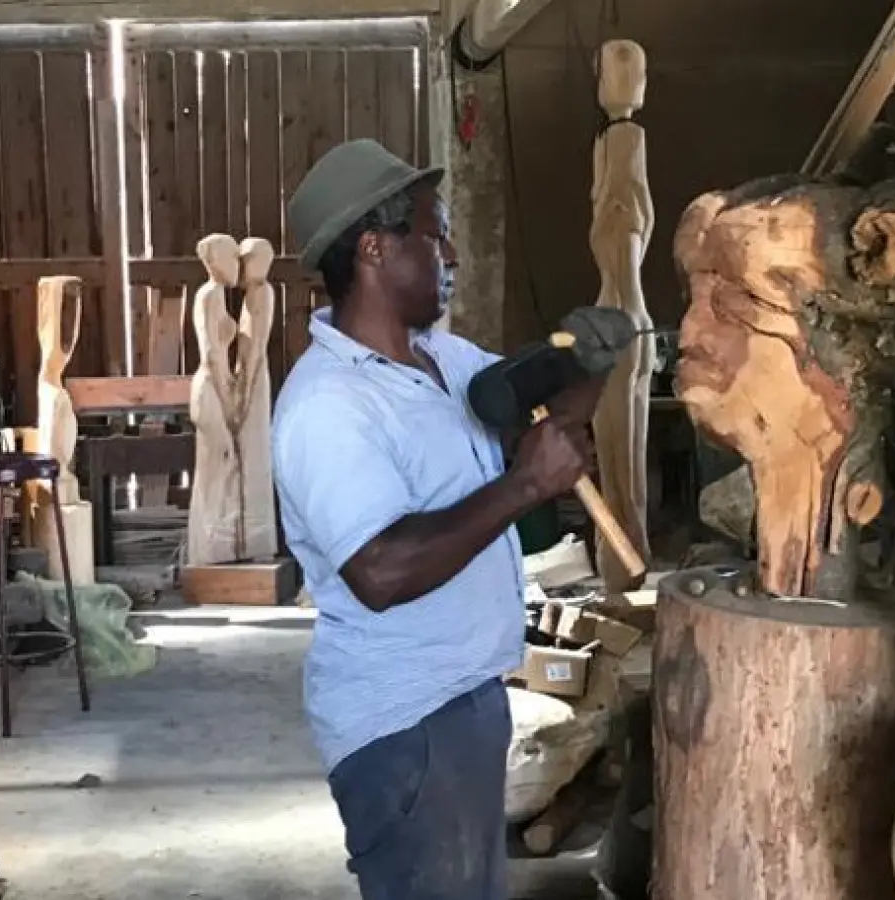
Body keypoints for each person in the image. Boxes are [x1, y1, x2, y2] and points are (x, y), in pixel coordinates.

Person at [274, 138, 606, 900]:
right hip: (405, 726)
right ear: (373, 248)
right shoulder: (328, 405)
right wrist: (525, 486)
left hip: (463, 699)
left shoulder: (442, 361)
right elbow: (380, 571)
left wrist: (587, 361)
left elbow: (539, 415)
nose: (450, 253)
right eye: (434, 233)